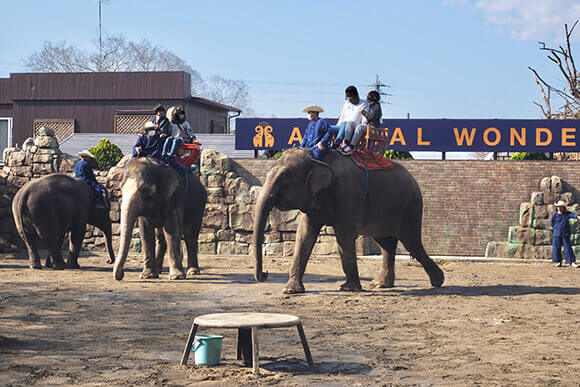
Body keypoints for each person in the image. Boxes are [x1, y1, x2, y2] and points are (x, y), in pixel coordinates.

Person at [551, 200, 578, 267]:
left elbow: (573, 215)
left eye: (561, 207)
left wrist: (577, 217)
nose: (559, 208)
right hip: (557, 234)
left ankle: (571, 262)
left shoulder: (567, 214)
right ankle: (558, 261)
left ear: (564, 207)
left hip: (565, 234)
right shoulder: (554, 215)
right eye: (558, 207)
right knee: (556, 248)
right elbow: (552, 224)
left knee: (567, 248)